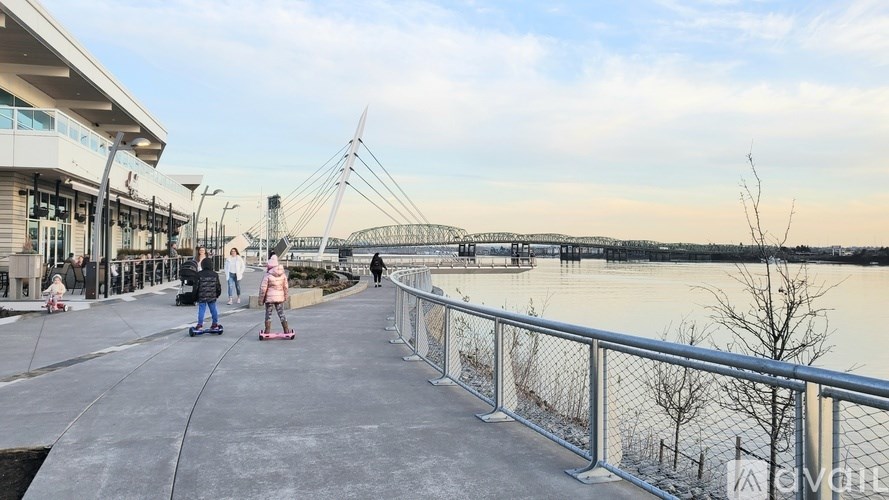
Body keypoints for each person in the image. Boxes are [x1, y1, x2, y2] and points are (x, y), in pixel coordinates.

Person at [259, 254, 290, 333]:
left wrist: (261, 300)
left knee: (268, 314)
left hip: (269, 298)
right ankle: (286, 329)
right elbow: (286, 287)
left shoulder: (267, 275)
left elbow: (263, 289)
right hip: (279, 298)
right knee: (281, 313)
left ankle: (267, 330)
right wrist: (285, 297)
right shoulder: (283, 275)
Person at [192, 258, 222, 330]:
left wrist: (194, 296)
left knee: (201, 309)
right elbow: (218, 286)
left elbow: (196, 286)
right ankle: (215, 324)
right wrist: (217, 294)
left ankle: (200, 325)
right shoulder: (215, 274)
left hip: (202, 295)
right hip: (212, 296)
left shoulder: (199, 274)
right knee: (213, 309)